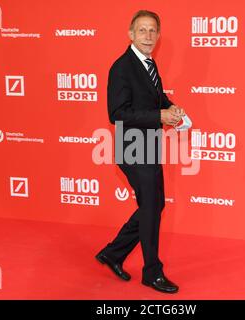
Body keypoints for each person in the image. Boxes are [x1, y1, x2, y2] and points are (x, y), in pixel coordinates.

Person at [95, 10, 184, 294]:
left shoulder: (149, 63)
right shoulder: (121, 67)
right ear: (131, 34)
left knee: (153, 207)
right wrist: (159, 115)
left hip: (148, 145)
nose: (148, 36)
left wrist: (170, 108)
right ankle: (152, 272)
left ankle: (113, 253)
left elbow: (156, 98)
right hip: (132, 147)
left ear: (158, 36)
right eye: (142, 30)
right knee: (151, 209)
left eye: (152, 31)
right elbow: (117, 113)